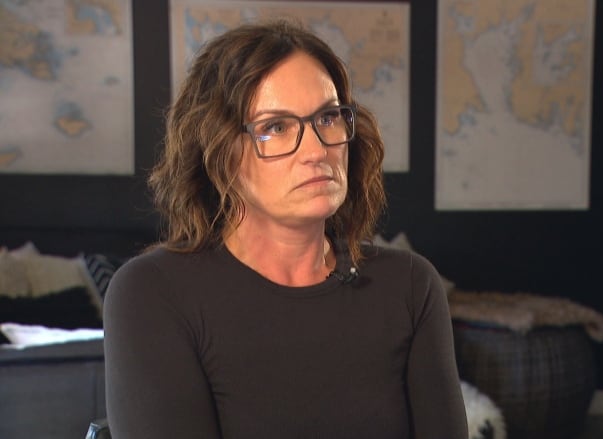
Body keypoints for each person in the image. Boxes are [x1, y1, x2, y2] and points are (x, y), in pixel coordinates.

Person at [103, 20, 468, 439]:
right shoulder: (153, 293)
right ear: (220, 151)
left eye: (329, 117)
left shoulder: (409, 285)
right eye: (276, 127)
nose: (317, 150)